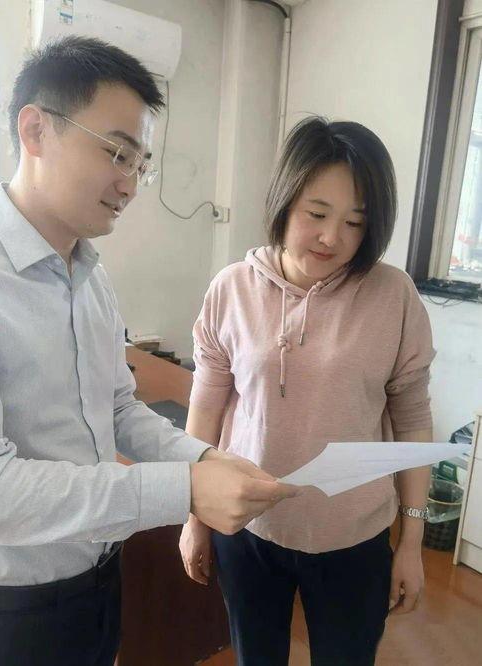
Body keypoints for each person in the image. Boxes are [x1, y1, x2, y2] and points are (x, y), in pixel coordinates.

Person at [0, 36, 298, 666]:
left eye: (141, 163)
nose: (130, 185)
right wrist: (184, 488)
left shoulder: (91, 277)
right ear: (36, 130)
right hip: (8, 605)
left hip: (99, 575)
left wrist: (207, 457)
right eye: (117, 153)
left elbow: (121, 410)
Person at [179, 116, 435, 666]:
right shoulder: (231, 288)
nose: (331, 237)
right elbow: (205, 411)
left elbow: (413, 419)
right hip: (247, 527)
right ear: (284, 199)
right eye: (316, 214)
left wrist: (412, 541)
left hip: (354, 535)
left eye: (355, 222)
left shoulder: (393, 296)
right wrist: (194, 516)